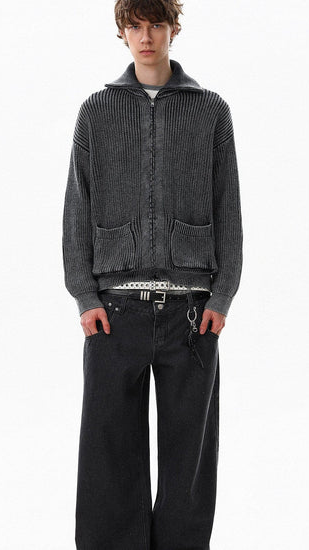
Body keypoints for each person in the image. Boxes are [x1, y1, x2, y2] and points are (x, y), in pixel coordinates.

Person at [62, 1, 243, 548]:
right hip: (114, 312)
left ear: (173, 29)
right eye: (135, 26)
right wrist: (84, 295)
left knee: (189, 461)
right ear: (122, 33)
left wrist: (222, 295)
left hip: (193, 313)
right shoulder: (96, 111)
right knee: (109, 456)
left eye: (156, 25)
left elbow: (228, 206)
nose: (146, 37)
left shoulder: (211, 111)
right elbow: (77, 207)